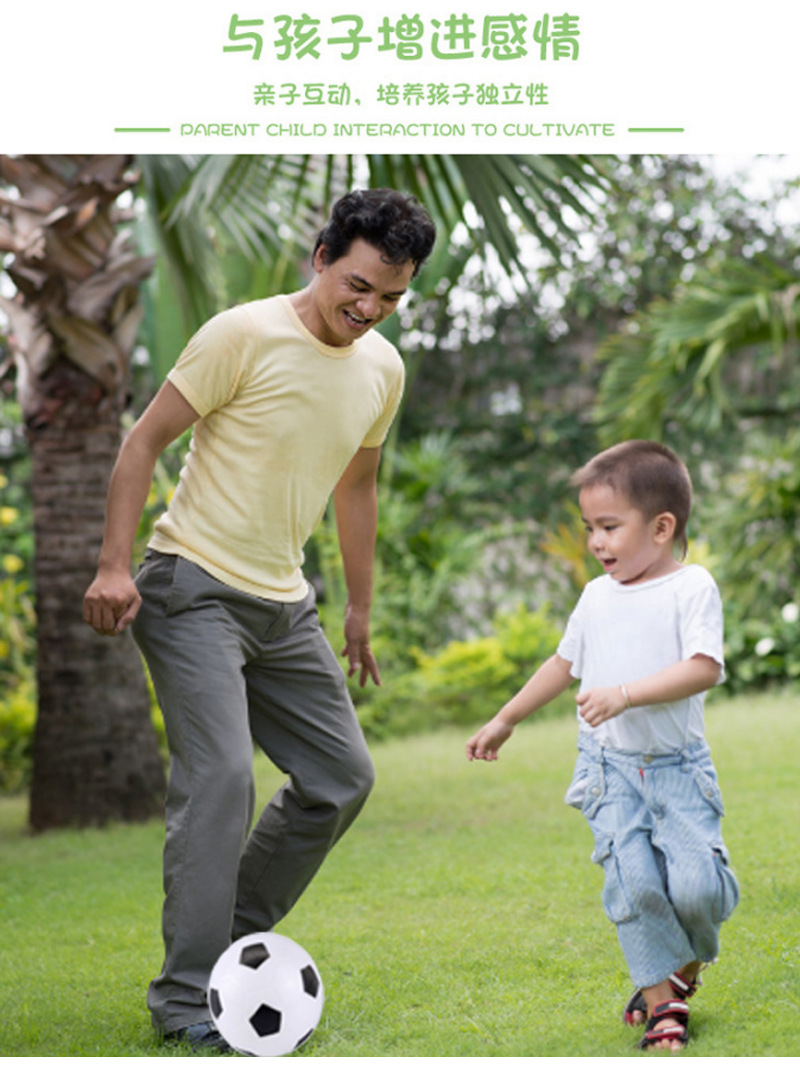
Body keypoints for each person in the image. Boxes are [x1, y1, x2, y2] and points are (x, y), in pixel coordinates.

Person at [83, 188, 436, 1050]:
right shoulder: (241, 334)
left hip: (286, 604)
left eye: (391, 296)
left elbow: (357, 485)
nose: (370, 308)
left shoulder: (383, 369)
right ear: (322, 259)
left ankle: (226, 944)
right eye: (358, 285)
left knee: (341, 777)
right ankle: (184, 998)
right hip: (191, 587)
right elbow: (143, 441)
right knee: (222, 780)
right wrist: (114, 565)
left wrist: (358, 608)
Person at [466, 440, 739, 1052]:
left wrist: (625, 694)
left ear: (661, 528)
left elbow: (704, 668)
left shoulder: (691, 587)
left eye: (610, 527)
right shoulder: (596, 596)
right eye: (590, 527)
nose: (596, 542)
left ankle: (680, 969)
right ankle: (663, 1004)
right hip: (609, 770)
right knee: (635, 885)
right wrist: (506, 719)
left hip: (678, 768)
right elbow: (563, 664)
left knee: (698, 889)